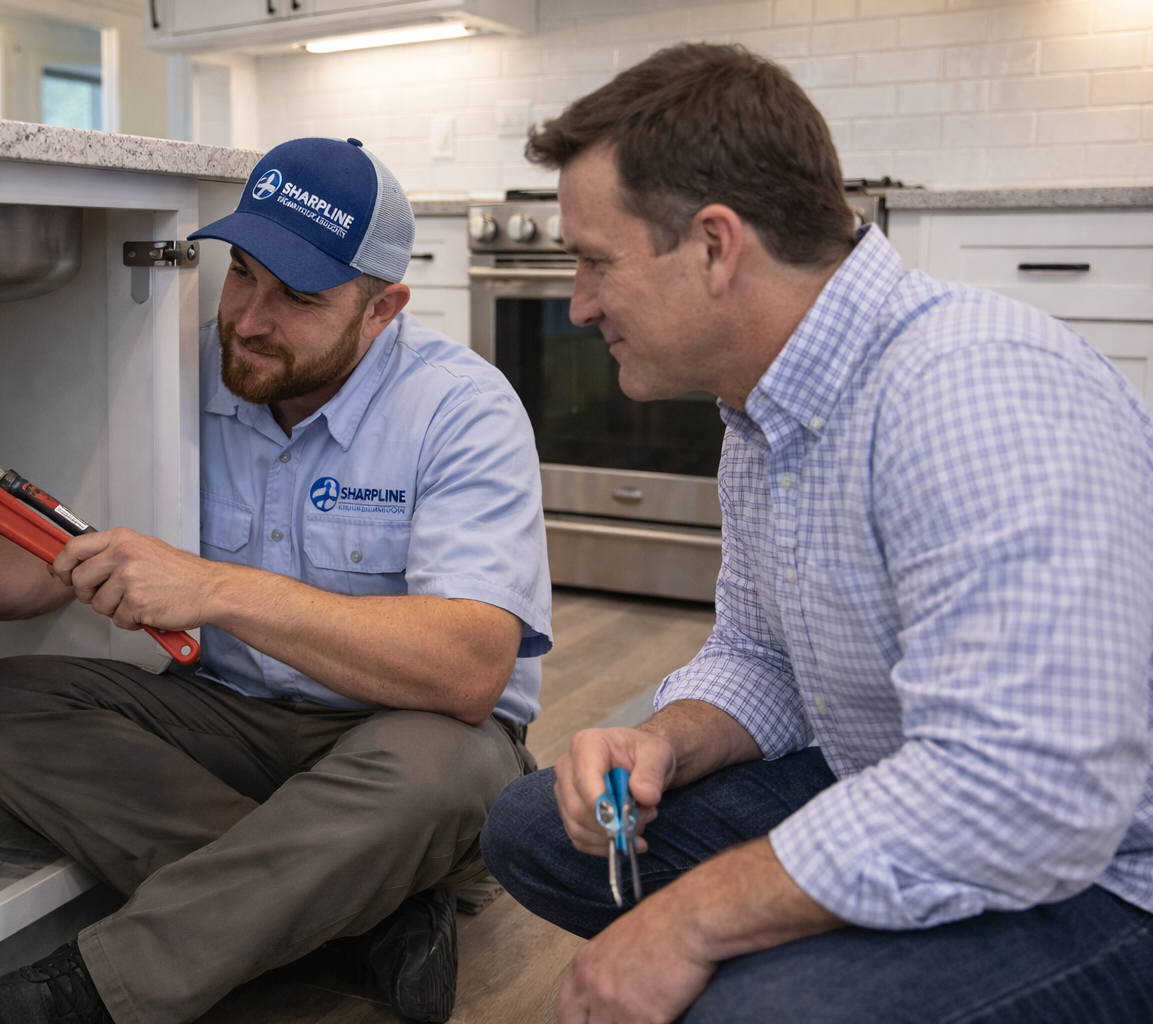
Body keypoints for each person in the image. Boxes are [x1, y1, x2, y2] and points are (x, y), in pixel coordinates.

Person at [480, 43, 1153, 1024]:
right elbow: (765, 655)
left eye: (594, 261)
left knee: (742, 1003)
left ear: (715, 246)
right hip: (911, 782)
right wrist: (660, 737)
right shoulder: (762, 409)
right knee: (541, 828)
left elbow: (1029, 792)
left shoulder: (972, 389)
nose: (579, 304)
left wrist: (696, 920)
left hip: (1100, 872)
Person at [0, 137, 551, 1024]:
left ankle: (95, 994)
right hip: (230, 726)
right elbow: (45, 568)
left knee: (448, 772)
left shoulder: (461, 409)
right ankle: (366, 906)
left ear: (383, 310)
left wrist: (214, 588)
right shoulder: (181, 382)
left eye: (297, 297)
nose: (250, 318)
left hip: (404, 736)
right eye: (243, 273)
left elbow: (468, 670)